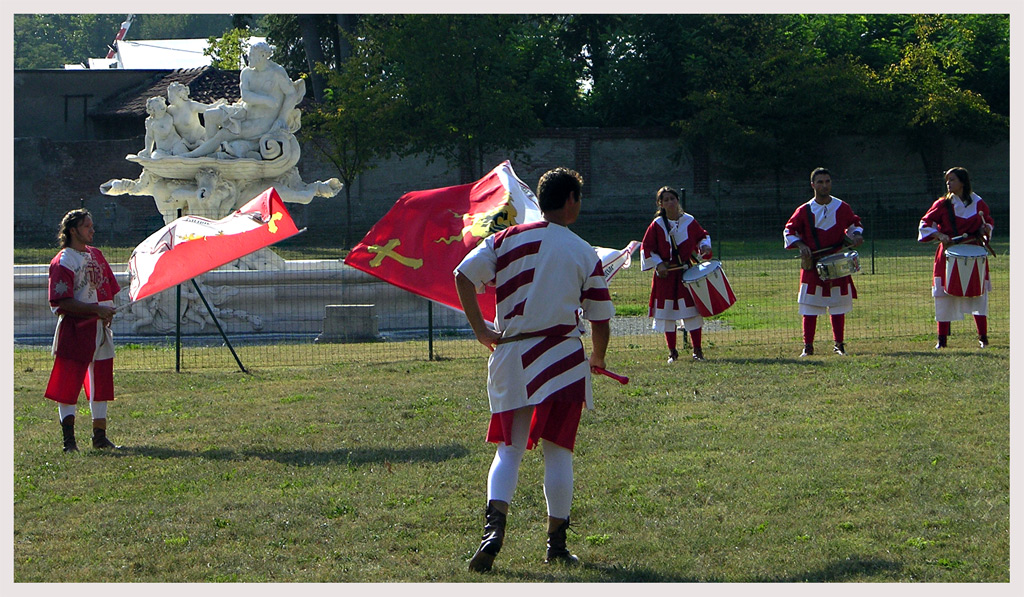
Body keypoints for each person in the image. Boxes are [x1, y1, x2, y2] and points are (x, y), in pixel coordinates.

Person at [454, 167, 614, 572]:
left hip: (512, 356)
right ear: (571, 200)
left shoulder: (505, 238)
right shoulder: (583, 251)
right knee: (558, 452)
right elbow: (600, 317)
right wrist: (598, 357)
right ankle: (556, 545)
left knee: (508, 450)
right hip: (561, 358)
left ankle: (493, 532)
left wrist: (479, 329)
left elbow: (463, 275)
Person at [45, 209, 122, 452]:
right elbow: (61, 301)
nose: (92, 230)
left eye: (91, 225)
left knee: (100, 383)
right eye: (87, 226)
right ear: (73, 230)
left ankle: (99, 437)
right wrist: (95, 311)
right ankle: (69, 442)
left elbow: (107, 286)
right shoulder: (64, 261)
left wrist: (107, 310)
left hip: (100, 329)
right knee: (68, 385)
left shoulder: (96, 255)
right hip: (76, 329)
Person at [783, 167, 864, 357]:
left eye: (827, 181)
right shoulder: (804, 210)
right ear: (813, 185)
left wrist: (856, 236)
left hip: (836, 262)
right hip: (813, 263)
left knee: (837, 303)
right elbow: (789, 231)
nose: (824, 185)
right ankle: (808, 346)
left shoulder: (841, 207)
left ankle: (839, 344)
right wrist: (801, 245)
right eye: (820, 182)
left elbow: (854, 224)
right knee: (810, 305)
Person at [183, 42, 304, 158]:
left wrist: (282, 118)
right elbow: (245, 96)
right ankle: (210, 151)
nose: (249, 57)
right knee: (210, 115)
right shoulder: (246, 73)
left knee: (223, 134)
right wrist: (266, 99)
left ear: (262, 56)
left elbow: (291, 94)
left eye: (252, 55)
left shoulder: (276, 72)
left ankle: (194, 156)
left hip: (262, 122)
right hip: (243, 112)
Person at [917, 166, 994, 349]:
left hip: (974, 251)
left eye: (952, 180)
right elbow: (925, 223)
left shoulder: (978, 202)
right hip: (949, 254)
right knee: (943, 295)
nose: (948, 183)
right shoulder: (942, 204)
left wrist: (986, 229)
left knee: (978, 294)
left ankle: (983, 337)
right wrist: (939, 235)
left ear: (962, 182)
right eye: (947, 180)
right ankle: (941, 340)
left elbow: (988, 221)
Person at [640, 186, 713, 362]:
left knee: (692, 312)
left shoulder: (689, 221)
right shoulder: (657, 225)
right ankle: (672, 352)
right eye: (666, 200)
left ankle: (697, 350)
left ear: (677, 200)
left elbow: (702, 236)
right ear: (660, 204)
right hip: (665, 276)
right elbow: (647, 248)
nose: (670, 202)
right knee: (667, 314)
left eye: (672, 198)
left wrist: (704, 246)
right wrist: (659, 264)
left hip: (686, 273)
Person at [165, 82, 224, 150]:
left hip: (201, 139)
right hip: (185, 143)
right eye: (169, 97)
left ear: (180, 95)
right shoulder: (170, 110)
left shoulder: (191, 105)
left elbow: (209, 109)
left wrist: (219, 105)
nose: (169, 100)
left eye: (172, 96)